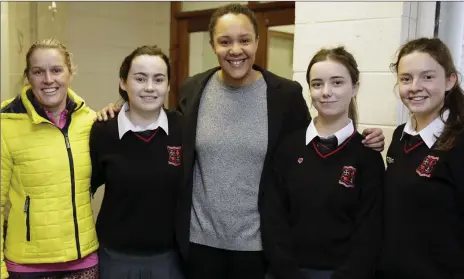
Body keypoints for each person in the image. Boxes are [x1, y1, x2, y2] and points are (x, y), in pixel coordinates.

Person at [96, 4, 386, 278]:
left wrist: (361, 139)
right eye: (224, 41)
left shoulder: (284, 95)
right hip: (199, 244)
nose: (235, 50)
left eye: (245, 40)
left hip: (258, 247)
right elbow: (157, 118)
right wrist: (120, 108)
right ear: (213, 46)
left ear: (257, 42)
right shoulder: (194, 88)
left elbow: (314, 140)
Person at [263, 46, 385, 279]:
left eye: (337, 82)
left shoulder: (367, 154)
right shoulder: (288, 147)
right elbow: (273, 216)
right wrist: (287, 271)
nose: (326, 92)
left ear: (355, 87)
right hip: (286, 272)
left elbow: (370, 229)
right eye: (317, 84)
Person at [375, 37, 464, 279]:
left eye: (428, 77)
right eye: (406, 78)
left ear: (450, 80)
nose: (414, 87)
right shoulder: (401, 136)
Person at [1, 39, 99, 279]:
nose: (48, 80)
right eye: (38, 72)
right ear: (28, 76)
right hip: (27, 266)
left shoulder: (91, 122)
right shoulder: (6, 123)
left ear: (70, 72)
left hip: (83, 261)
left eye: (56, 70)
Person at [89, 46, 184, 279]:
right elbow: (82, 191)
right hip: (115, 258)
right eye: (140, 79)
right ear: (123, 82)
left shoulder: (183, 128)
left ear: (169, 85)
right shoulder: (103, 131)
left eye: (159, 79)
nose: (150, 87)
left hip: (169, 259)